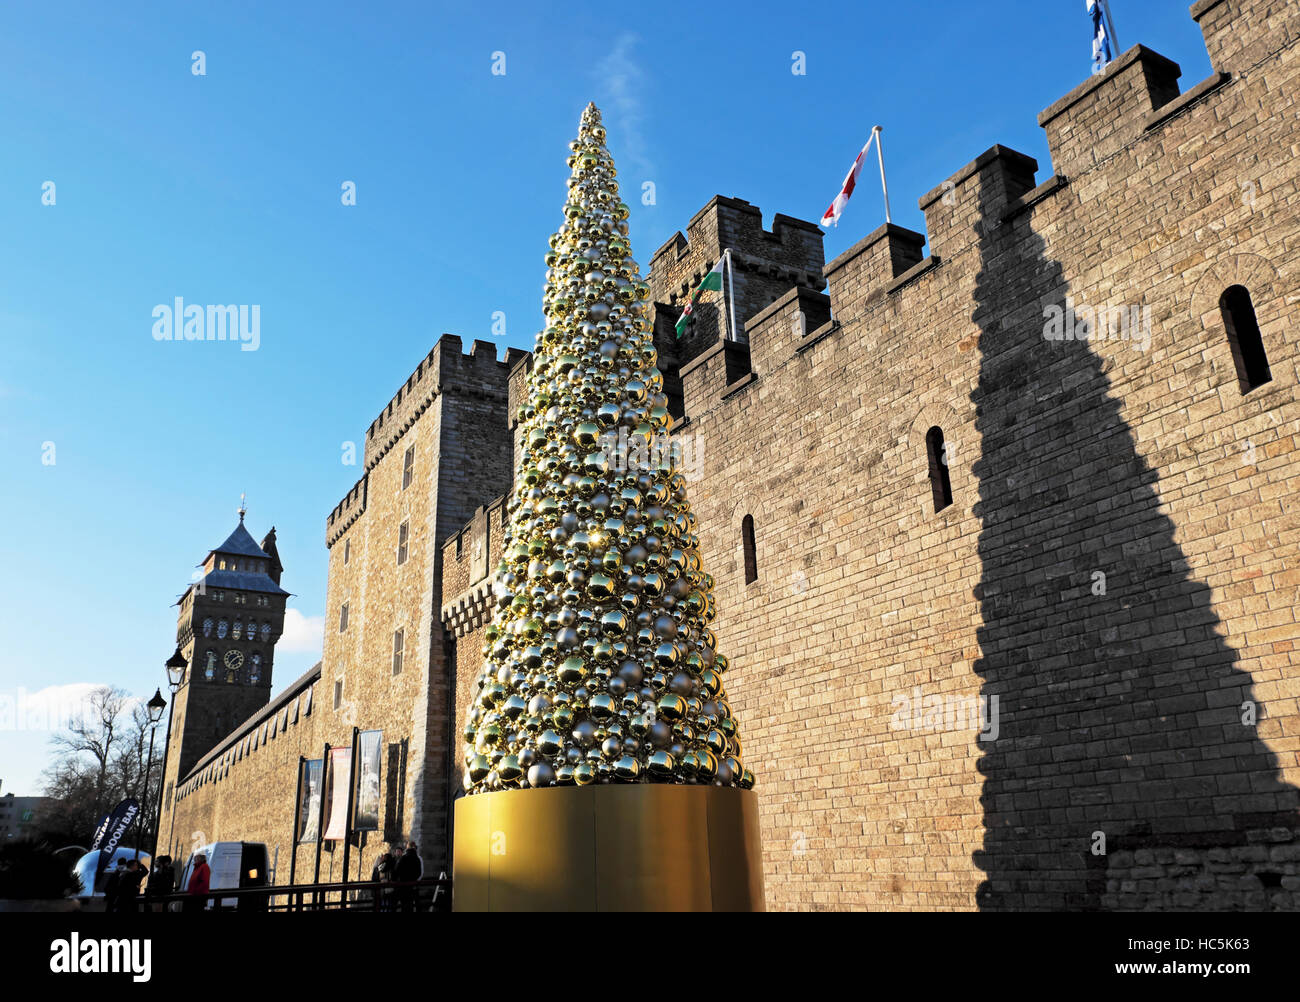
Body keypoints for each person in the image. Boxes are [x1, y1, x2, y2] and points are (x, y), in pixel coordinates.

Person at [393, 842, 421, 912]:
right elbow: (419, 873)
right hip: (412, 886)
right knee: (410, 905)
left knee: (404, 905)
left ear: (407, 848)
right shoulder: (417, 859)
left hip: (403, 886)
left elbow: (396, 871)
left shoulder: (403, 858)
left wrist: (399, 879)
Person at [370, 847, 395, 911]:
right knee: (389, 905)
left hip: (382, 889)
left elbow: (376, 875)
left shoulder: (381, 866)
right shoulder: (393, 866)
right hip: (390, 889)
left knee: (383, 905)